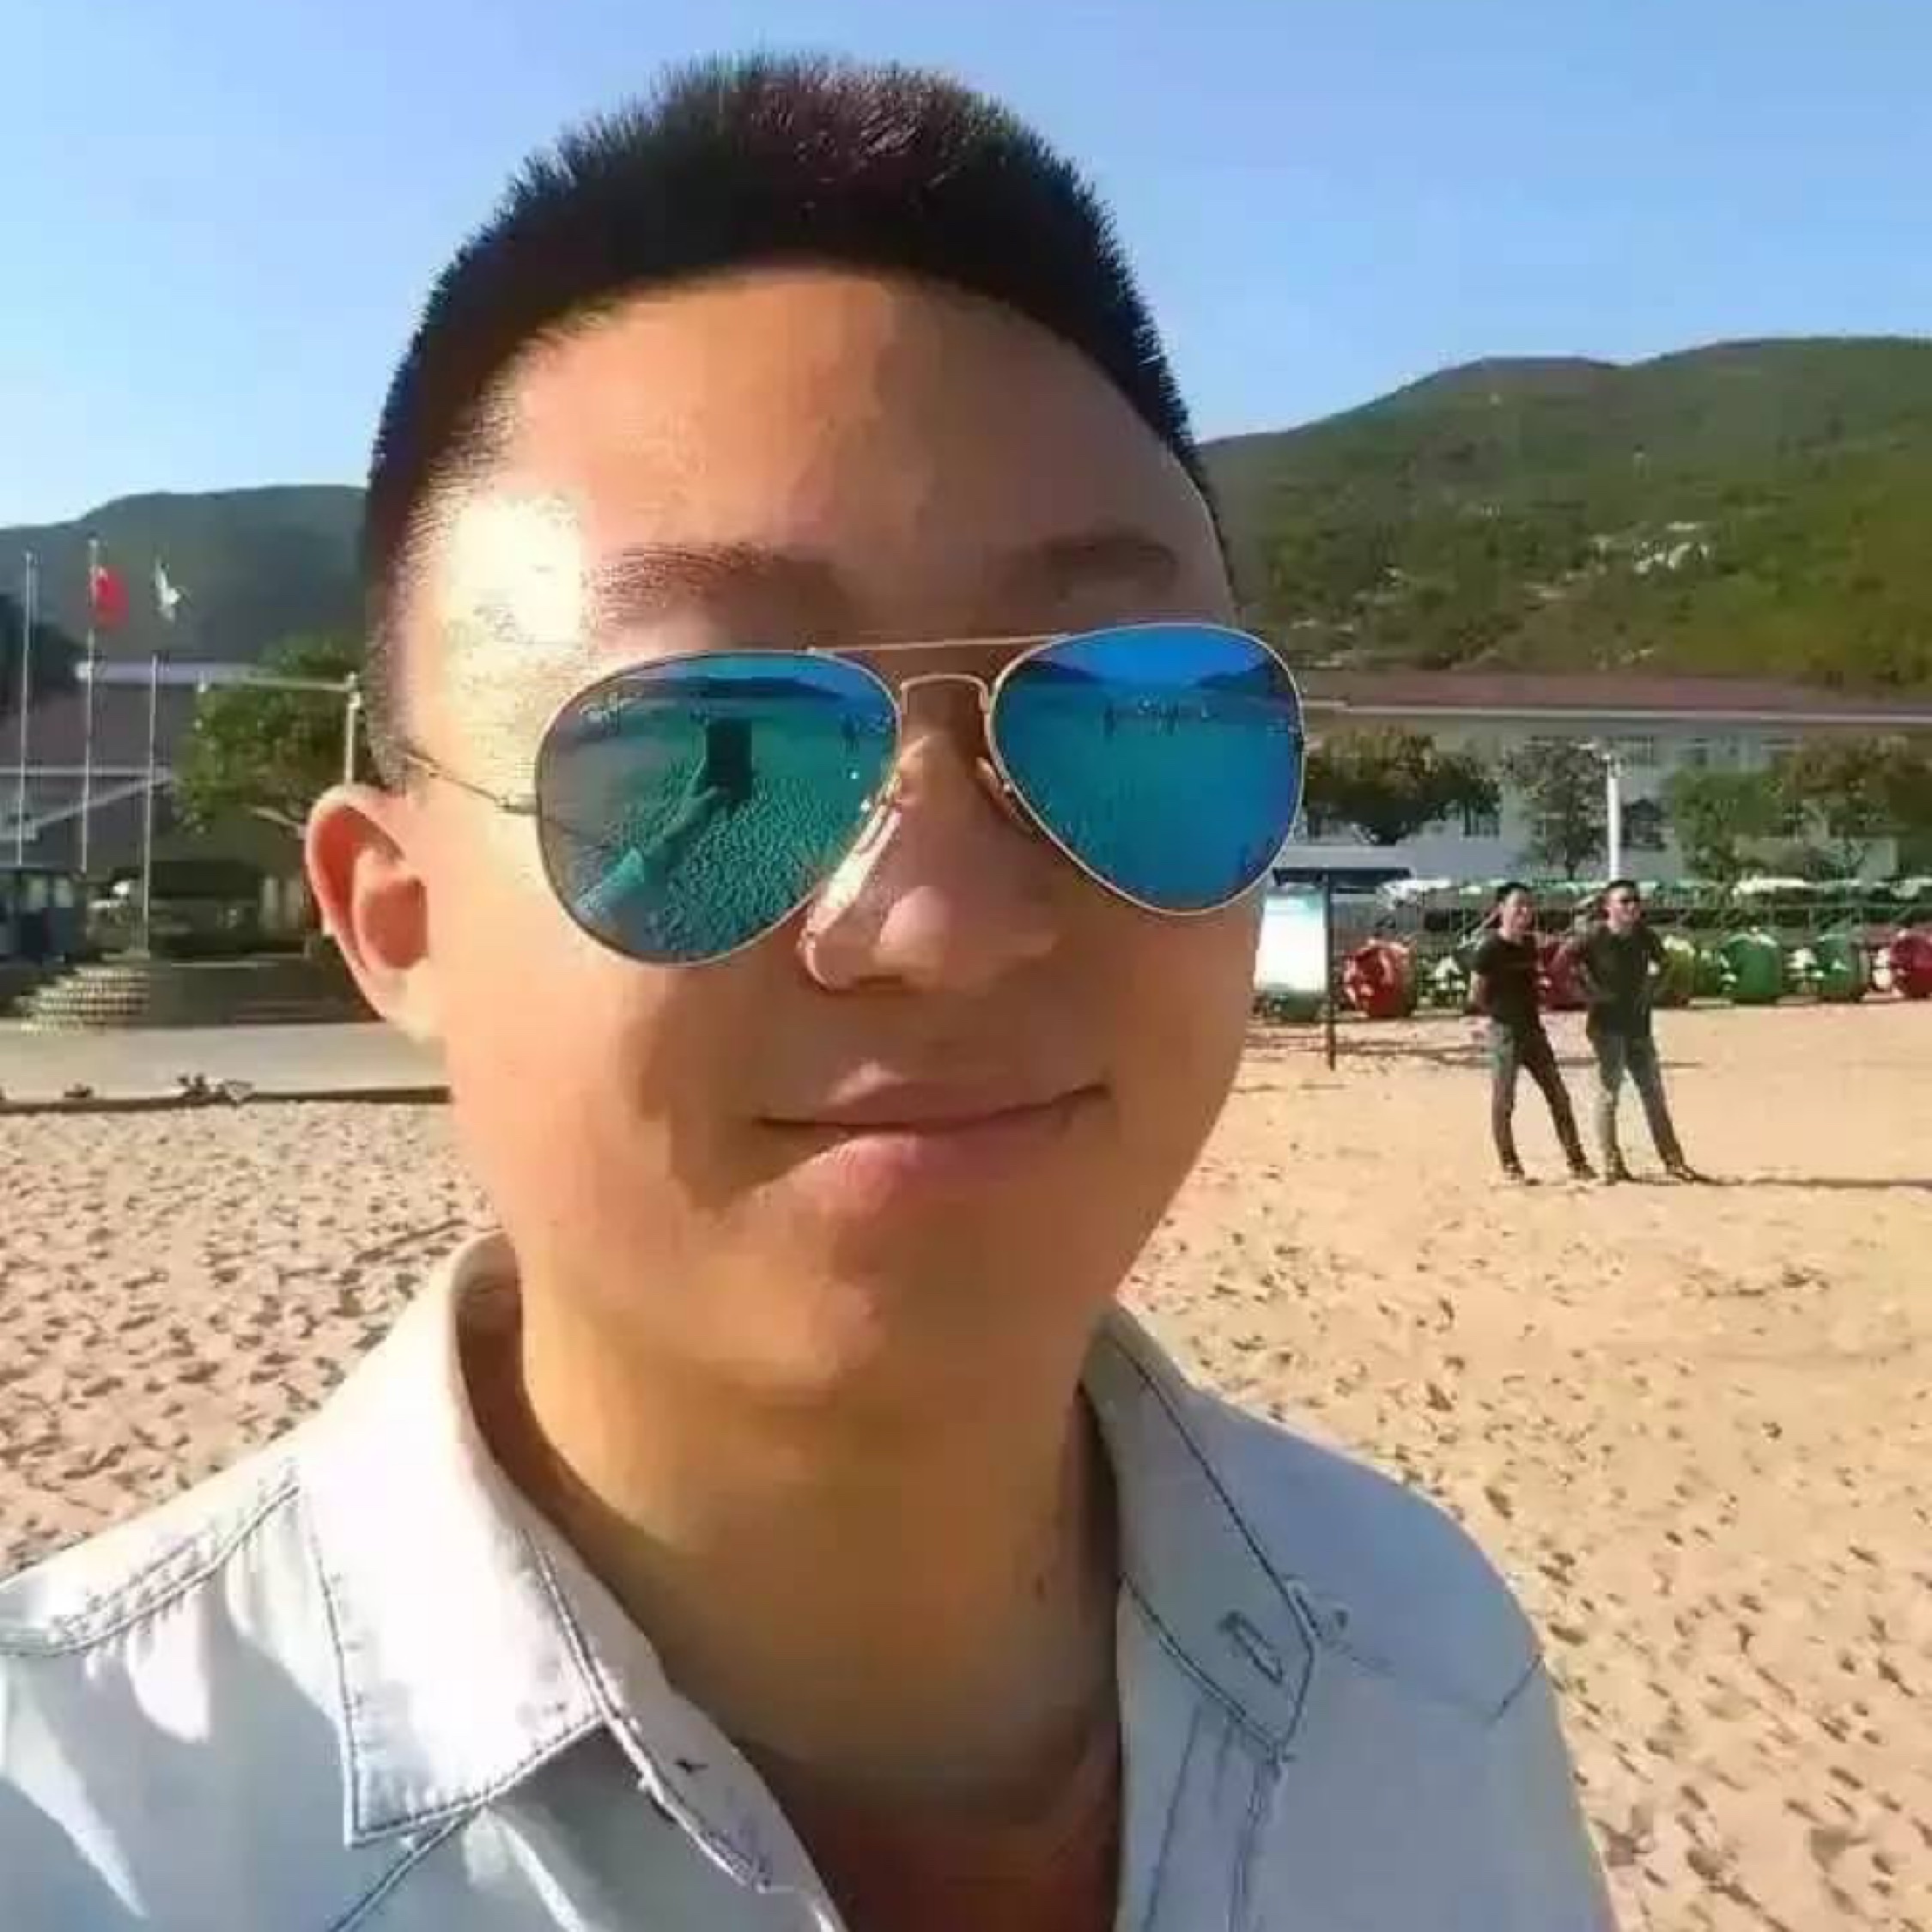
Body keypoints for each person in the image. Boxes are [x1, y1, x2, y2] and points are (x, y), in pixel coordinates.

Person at [0, 57, 1612, 1931]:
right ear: (398, 919)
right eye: (717, 760)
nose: (940, 921)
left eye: (1122, 723)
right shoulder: (86, 1843)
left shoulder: (1425, 1672)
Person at [1573, 878, 1701, 1184]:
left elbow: (1666, 964)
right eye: (1624, 901)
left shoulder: (1644, 935)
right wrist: (1586, 994)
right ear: (1608, 907)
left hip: (1639, 1026)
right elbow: (1562, 964)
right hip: (1607, 1027)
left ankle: (1674, 1161)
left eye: (1635, 901)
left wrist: (1653, 991)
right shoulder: (1593, 937)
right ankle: (1612, 1164)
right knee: (1609, 1095)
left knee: (1653, 1094)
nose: (1632, 907)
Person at [1471, 882, 1595, 1184]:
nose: (1525, 912)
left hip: (1533, 1030)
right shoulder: (1489, 948)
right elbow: (1476, 993)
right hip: (1505, 1032)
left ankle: (1577, 1161)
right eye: (1518, 906)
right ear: (1501, 909)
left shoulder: (1529, 945)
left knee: (1558, 1096)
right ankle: (1510, 1165)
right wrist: (1496, 1018)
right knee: (1504, 1101)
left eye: (1528, 906)